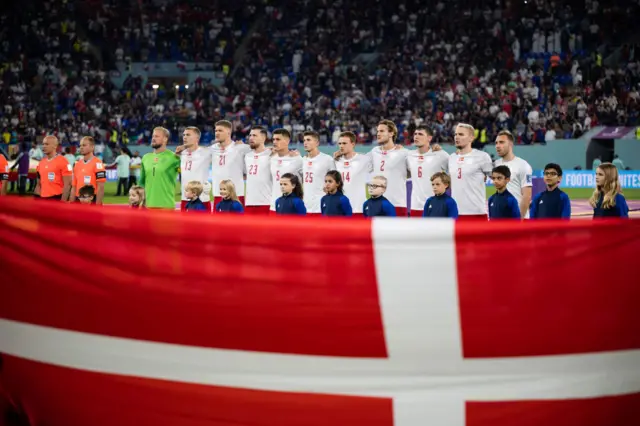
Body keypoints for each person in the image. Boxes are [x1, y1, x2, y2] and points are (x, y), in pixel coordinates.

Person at [448, 123, 493, 220]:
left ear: (471, 138)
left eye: (461, 134)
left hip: (477, 214)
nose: (456, 137)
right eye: (455, 134)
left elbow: (497, 179)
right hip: (456, 214)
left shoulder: (483, 157)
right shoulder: (451, 158)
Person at [407, 125, 449, 217]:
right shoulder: (409, 156)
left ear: (429, 138)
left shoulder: (440, 155)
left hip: (436, 206)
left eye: (420, 134)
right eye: (415, 134)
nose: (416, 136)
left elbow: (455, 170)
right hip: (415, 207)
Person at [370, 120, 409, 216]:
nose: (378, 134)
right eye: (378, 131)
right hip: (376, 204)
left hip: (397, 204)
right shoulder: (374, 152)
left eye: (382, 131)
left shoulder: (404, 153)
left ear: (391, 133)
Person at [210, 120, 251, 208]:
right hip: (218, 195)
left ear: (228, 132)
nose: (217, 133)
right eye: (216, 131)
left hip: (236, 195)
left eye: (220, 130)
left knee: (238, 222)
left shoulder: (240, 148)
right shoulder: (212, 149)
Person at [493, 130, 533, 218]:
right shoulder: (496, 164)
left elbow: (527, 196)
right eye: (496, 143)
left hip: (517, 219)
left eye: (501, 142)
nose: (497, 146)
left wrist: (519, 220)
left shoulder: (523, 165)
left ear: (510, 144)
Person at [140, 127, 181, 209]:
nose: (153, 138)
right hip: (148, 206)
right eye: (153, 136)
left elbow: (186, 173)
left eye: (157, 136)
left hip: (166, 206)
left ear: (165, 139)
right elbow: (141, 183)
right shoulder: (145, 158)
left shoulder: (174, 157)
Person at [334, 131, 373, 216]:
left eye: (344, 143)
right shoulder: (335, 162)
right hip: (339, 210)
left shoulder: (364, 159)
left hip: (358, 209)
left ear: (353, 144)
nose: (341, 146)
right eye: (339, 143)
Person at [175, 127, 212, 212]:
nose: (184, 137)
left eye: (188, 135)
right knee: (184, 225)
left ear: (197, 138)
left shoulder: (206, 152)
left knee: (204, 225)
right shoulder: (181, 154)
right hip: (185, 199)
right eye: (184, 135)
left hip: (202, 199)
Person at [301, 131, 336, 215]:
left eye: (308, 140)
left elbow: (335, 181)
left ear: (317, 143)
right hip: (305, 205)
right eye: (304, 140)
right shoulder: (302, 160)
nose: (305, 143)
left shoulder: (327, 159)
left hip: (322, 205)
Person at [270, 128, 303, 213]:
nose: (274, 142)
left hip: (291, 207)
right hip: (274, 206)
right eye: (273, 139)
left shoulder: (296, 159)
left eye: (278, 139)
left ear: (287, 141)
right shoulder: (271, 158)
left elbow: (305, 181)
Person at [244, 126, 272, 215]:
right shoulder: (247, 156)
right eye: (250, 135)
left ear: (263, 138)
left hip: (266, 203)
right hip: (249, 203)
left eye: (255, 135)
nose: (251, 138)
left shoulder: (271, 154)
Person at [69, 136, 106, 205]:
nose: (81, 147)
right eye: (80, 145)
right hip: (78, 201)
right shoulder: (77, 164)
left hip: (92, 201)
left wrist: (97, 206)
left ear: (92, 147)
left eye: (84, 145)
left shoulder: (98, 164)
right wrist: (71, 204)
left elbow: (101, 187)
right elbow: (73, 187)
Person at [34, 135, 72, 201]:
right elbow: (38, 185)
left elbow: (68, 185)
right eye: (43, 144)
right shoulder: (41, 163)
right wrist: (36, 200)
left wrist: (62, 203)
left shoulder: (64, 161)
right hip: (43, 199)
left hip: (57, 199)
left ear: (55, 146)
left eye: (47, 144)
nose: (44, 146)